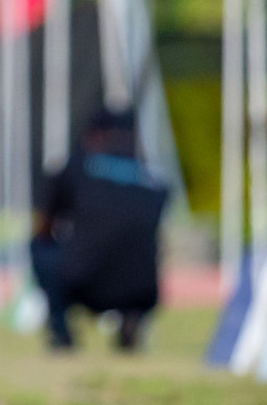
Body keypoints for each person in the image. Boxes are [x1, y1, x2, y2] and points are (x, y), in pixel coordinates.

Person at [31, 108, 169, 353]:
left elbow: (45, 226)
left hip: (85, 283)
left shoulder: (76, 167)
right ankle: (131, 318)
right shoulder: (153, 177)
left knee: (40, 247)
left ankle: (60, 332)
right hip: (143, 290)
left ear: (95, 135)